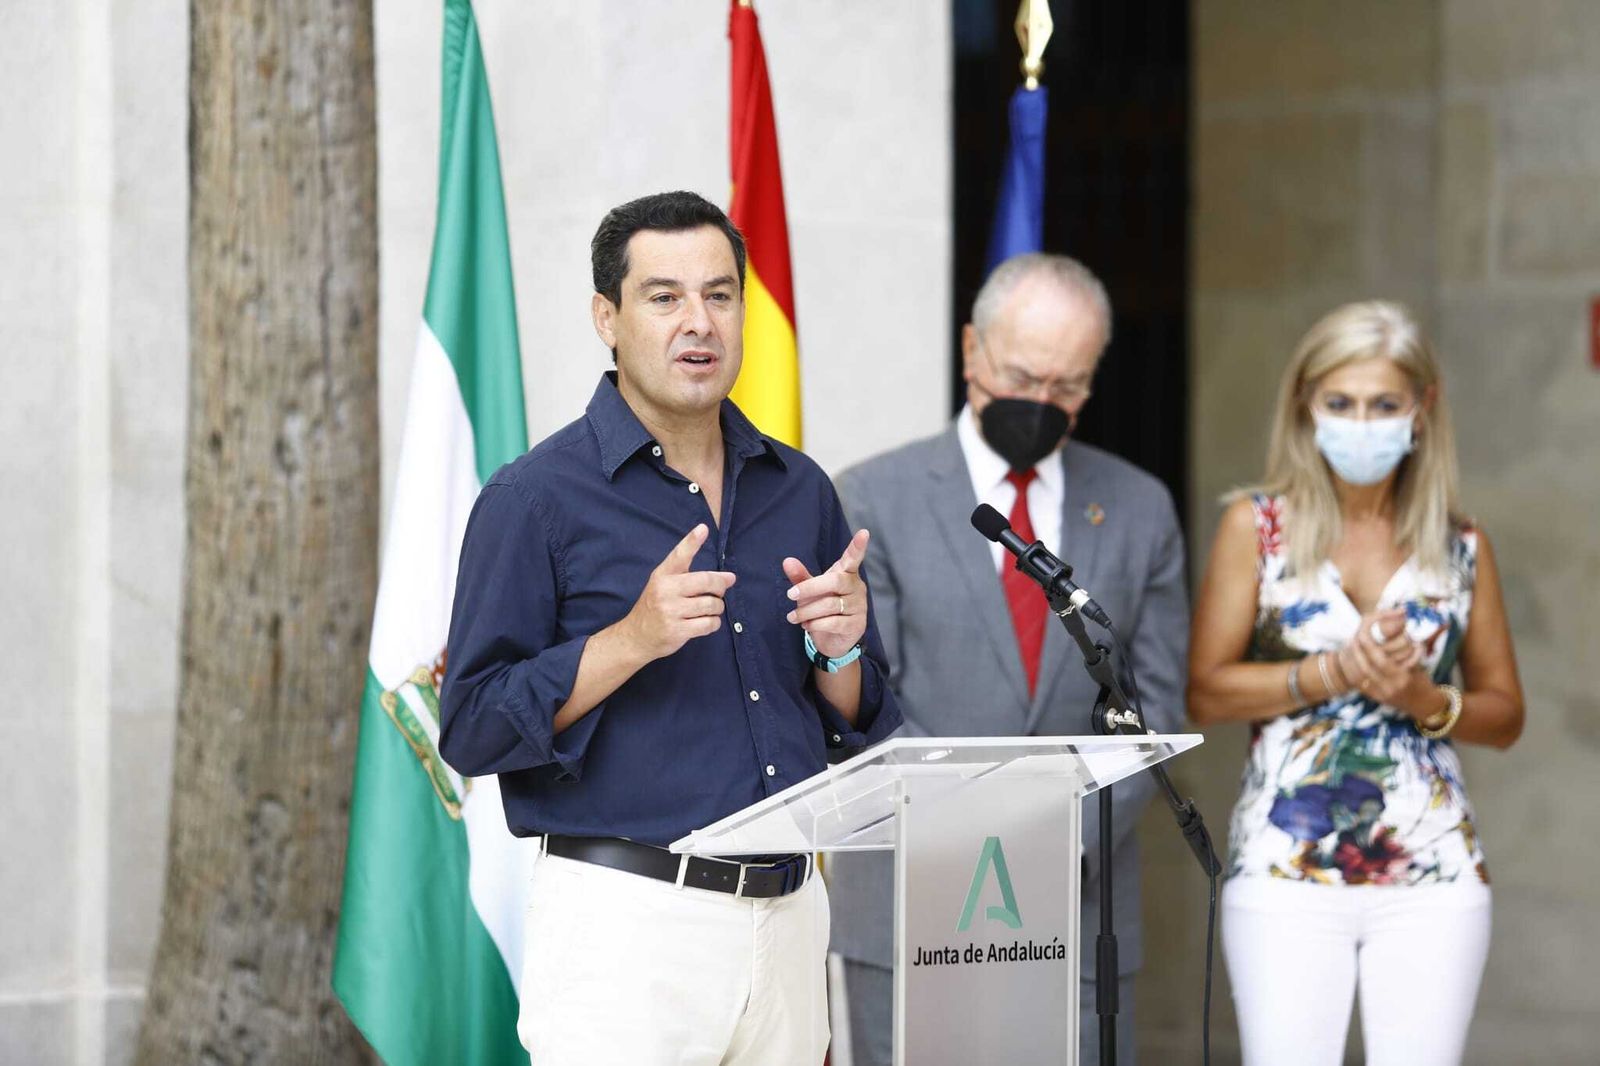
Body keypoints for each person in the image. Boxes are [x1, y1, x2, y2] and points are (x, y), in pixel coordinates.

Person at [438, 190, 902, 1065]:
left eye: (720, 295)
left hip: (791, 916)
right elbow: (469, 726)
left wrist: (839, 649)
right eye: (665, 297)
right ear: (606, 318)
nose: (700, 322)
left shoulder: (798, 488)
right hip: (630, 927)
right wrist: (631, 640)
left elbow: (856, 710)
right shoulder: (533, 499)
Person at [827, 252, 1190, 1065]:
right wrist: (968, 828)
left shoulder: (1139, 507)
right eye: (1022, 375)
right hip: (907, 901)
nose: (1039, 402)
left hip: (1085, 903)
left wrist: (1064, 840)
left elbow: (1155, 705)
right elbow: (861, 694)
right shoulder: (871, 497)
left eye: (1066, 388)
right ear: (971, 352)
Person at [1187, 300, 1525, 1066]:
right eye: (1340, 403)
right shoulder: (1258, 525)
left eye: (1383, 404)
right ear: (1306, 406)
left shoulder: (1461, 544)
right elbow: (1205, 691)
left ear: (1422, 408)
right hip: (1284, 865)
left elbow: (1506, 715)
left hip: (1433, 868)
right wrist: (1332, 671)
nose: (1361, 422)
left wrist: (1425, 701)